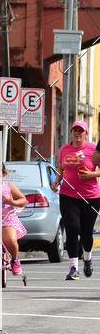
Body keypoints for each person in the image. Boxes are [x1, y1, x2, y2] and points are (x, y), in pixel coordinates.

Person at [51, 119, 100, 280]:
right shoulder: (65, 149)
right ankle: (73, 268)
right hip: (68, 194)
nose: (78, 133)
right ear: (71, 132)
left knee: (86, 233)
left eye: (81, 130)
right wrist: (57, 181)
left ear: (86, 133)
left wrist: (91, 175)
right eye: (75, 130)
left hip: (90, 196)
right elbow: (61, 168)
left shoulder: (93, 149)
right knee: (72, 228)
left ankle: (87, 259)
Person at [1, 163, 27, 275]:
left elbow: (23, 200)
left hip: (7, 218)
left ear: (4, 174)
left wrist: (12, 202)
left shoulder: (9, 186)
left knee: (11, 240)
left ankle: (15, 260)